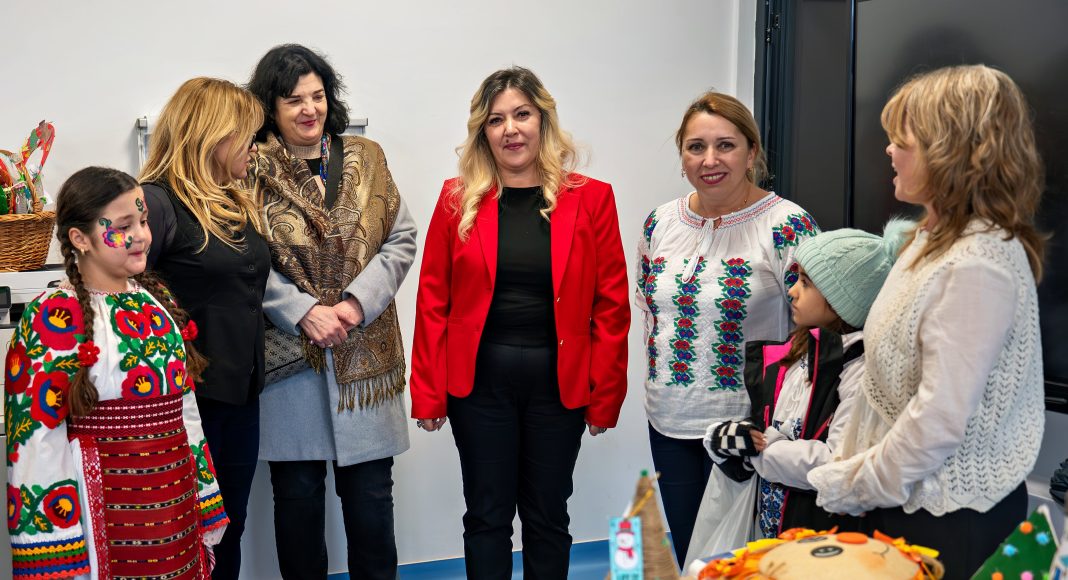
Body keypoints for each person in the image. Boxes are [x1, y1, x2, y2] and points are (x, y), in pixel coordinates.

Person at [807, 65, 1047, 579]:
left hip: (947, 519)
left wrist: (854, 486)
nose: (889, 151)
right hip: (901, 497)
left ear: (950, 154)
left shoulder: (977, 264)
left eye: (903, 142)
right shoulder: (926, 242)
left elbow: (936, 421)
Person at [410, 66, 630, 580]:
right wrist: (428, 392)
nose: (510, 129)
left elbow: (611, 307)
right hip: (478, 389)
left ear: (543, 120)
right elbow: (433, 301)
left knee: (548, 516)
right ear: (483, 132)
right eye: (496, 120)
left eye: (522, 115)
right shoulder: (456, 198)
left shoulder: (592, 197)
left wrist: (605, 395)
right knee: (486, 516)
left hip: (560, 388)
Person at [4, 167, 227, 579]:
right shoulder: (52, 318)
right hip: (103, 512)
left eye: (143, 221)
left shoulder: (156, 303)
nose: (142, 235)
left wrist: (204, 495)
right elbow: (36, 440)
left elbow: (186, 410)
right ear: (80, 238)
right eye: (124, 226)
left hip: (175, 505)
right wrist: (55, 547)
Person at [246, 44, 417, 580]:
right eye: (293, 100)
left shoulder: (368, 156)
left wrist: (354, 304)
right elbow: (244, 257)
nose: (309, 109)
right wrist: (300, 310)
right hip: (290, 361)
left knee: (371, 501)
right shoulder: (248, 169)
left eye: (317, 96)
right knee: (297, 501)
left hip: (363, 352)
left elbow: (400, 238)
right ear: (270, 108)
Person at [636, 91, 820, 566]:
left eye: (726, 145)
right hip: (670, 420)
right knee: (692, 558)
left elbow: (819, 323)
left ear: (751, 152)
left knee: (747, 562)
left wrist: (785, 420)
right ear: (682, 156)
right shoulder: (660, 223)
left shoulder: (787, 225)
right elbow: (651, 314)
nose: (710, 160)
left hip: (750, 428)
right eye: (696, 147)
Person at [696, 225, 901, 559]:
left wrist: (762, 450)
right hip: (773, 530)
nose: (791, 291)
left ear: (841, 300)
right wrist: (731, 440)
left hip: (823, 539)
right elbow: (766, 427)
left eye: (806, 283)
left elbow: (839, 462)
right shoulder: (796, 354)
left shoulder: (859, 370)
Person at [140, 77, 268, 580]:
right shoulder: (155, 203)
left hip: (239, 397)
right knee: (179, 537)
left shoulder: (233, 201)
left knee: (227, 531)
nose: (254, 146)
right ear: (213, 135)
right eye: (247, 135)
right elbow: (125, 301)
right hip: (185, 406)